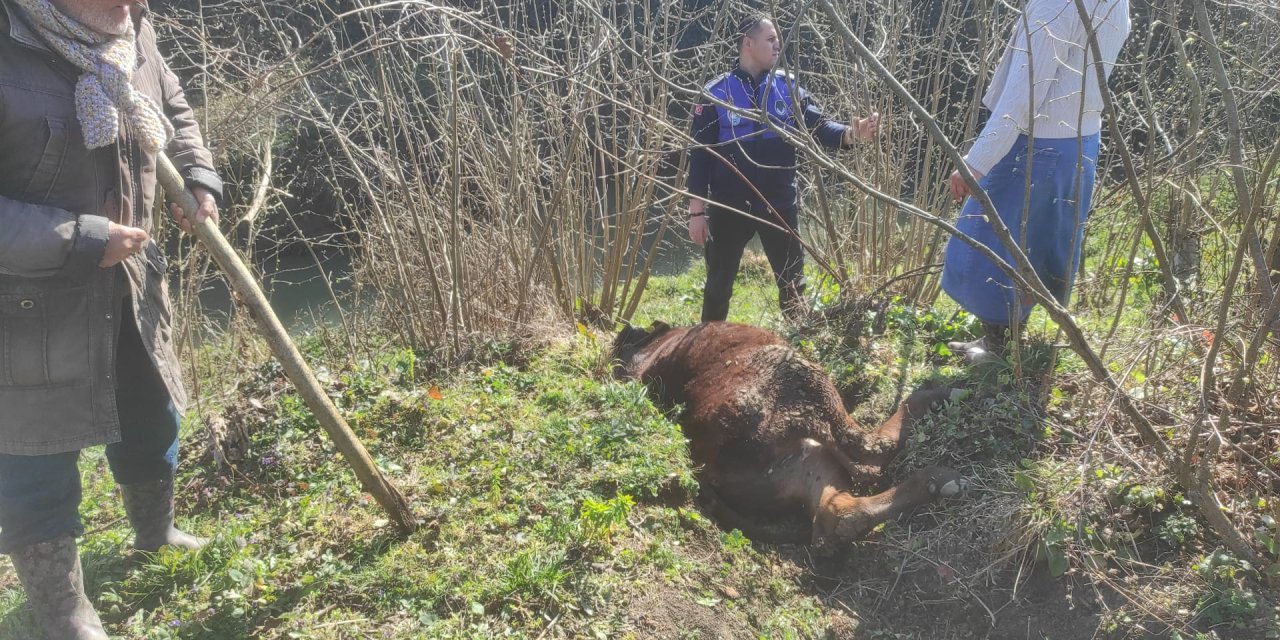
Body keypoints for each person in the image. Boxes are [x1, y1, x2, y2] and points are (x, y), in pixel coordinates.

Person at [0, 0, 222, 637]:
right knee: (35, 459)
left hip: (129, 283)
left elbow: (171, 102)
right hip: (25, 310)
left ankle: (156, 532)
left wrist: (198, 174)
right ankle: (63, 613)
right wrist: (80, 238)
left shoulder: (133, 27)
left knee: (152, 414)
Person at [942, 0, 1130, 361]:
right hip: (1080, 143)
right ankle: (1009, 342)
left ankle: (998, 348)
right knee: (1038, 246)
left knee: (988, 244)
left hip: (1036, 144)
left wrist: (975, 163)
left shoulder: (1054, 5)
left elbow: (1022, 98)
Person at [687, 15, 881, 323]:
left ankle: (798, 343)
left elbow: (819, 126)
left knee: (793, 285)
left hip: (779, 204)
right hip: (729, 206)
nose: (778, 45)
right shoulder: (715, 93)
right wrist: (696, 212)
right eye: (770, 39)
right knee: (718, 287)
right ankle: (708, 342)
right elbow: (700, 156)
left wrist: (852, 134)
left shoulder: (786, 87)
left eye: (778, 39)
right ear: (748, 44)